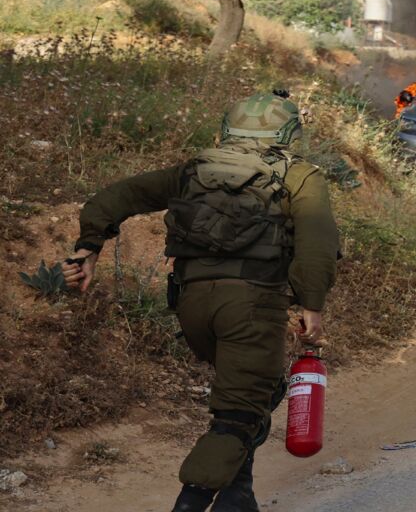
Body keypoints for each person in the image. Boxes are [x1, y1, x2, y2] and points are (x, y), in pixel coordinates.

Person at [62, 91, 339, 512]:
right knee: (238, 415)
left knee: (254, 391)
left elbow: (117, 197)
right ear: (286, 133)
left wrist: (88, 248)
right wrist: (311, 306)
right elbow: (317, 245)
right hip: (252, 308)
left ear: (229, 128)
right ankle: (192, 501)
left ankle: (238, 495)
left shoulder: (194, 172)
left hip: (192, 307)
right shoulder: (300, 177)